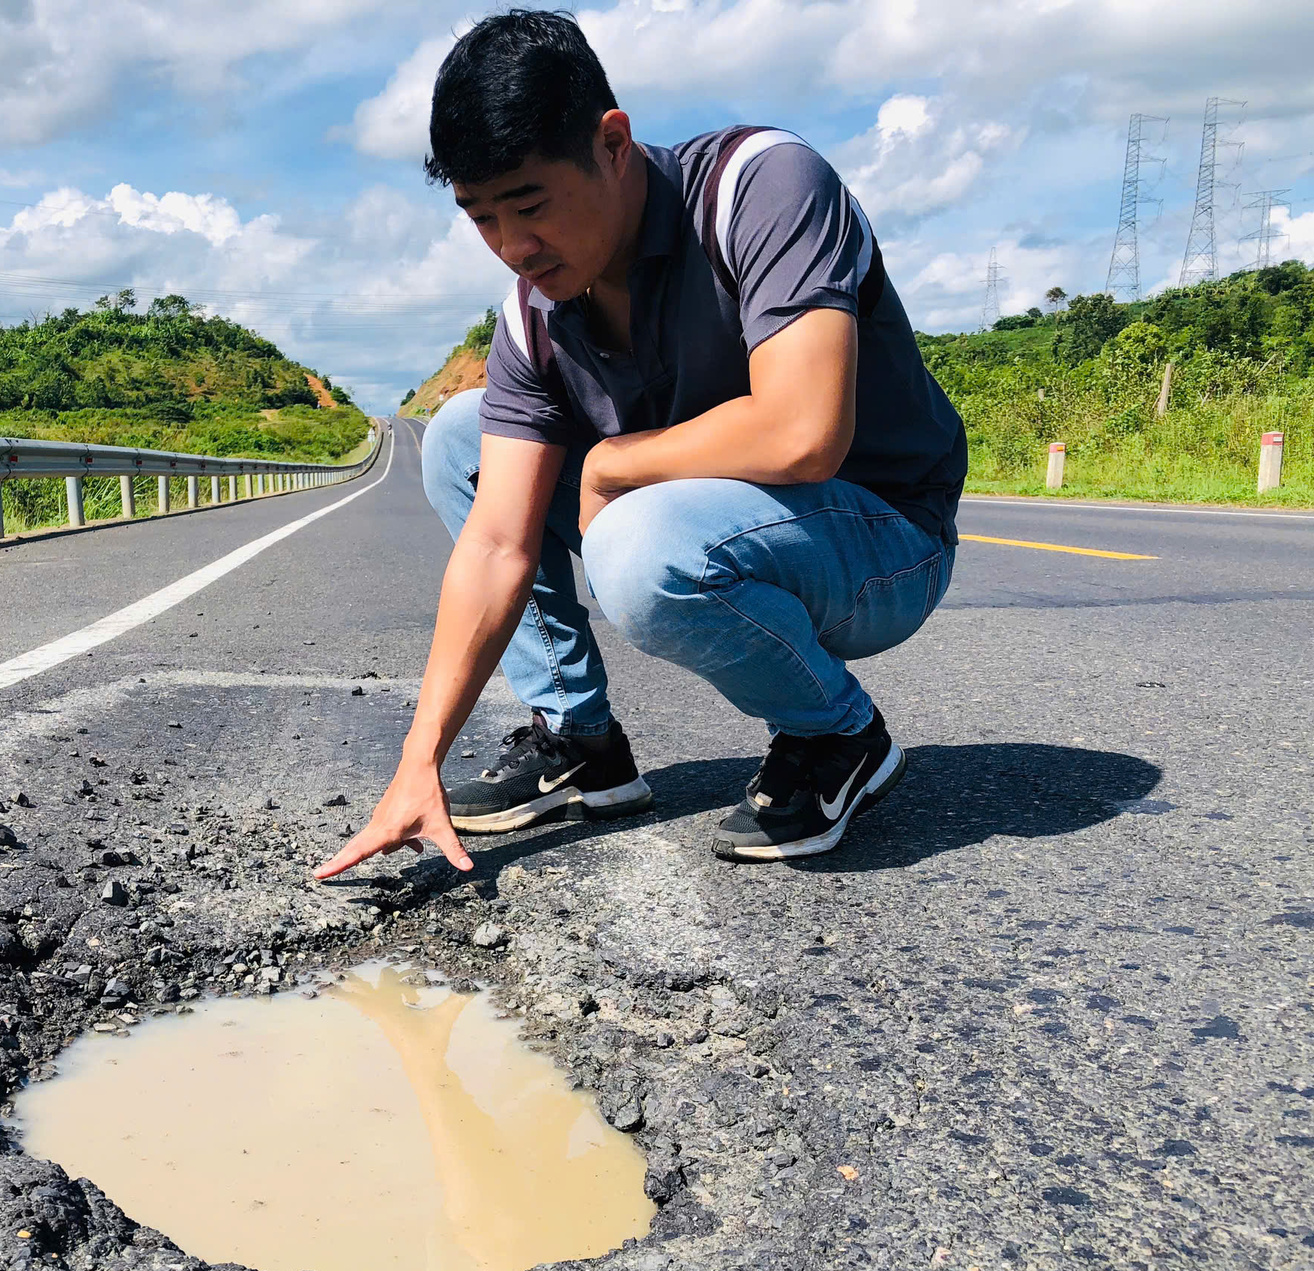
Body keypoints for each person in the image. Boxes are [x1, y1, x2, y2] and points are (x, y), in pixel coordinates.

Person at [315, 9, 965, 880]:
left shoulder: (760, 188)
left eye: (531, 204)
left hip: (882, 541)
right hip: (722, 520)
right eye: (480, 217)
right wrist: (418, 762)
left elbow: (804, 432)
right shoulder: (531, 316)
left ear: (613, 143)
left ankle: (836, 732)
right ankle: (580, 740)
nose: (513, 247)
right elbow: (499, 544)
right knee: (461, 438)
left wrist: (611, 463)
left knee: (638, 545)